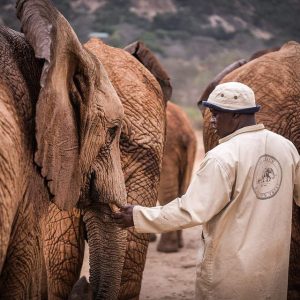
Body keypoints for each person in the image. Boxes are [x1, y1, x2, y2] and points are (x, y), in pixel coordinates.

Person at [113, 82, 300, 299]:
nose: (211, 121)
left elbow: (191, 211)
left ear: (236, 116)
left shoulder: (223, 156)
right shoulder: (286, 148)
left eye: (216, 114)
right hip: (273, 276)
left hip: (229, 278)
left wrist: (137, 215)